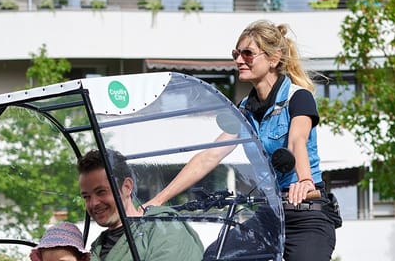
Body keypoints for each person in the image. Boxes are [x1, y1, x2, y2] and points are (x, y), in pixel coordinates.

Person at [142, 19, 338, 260]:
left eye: (248, 53)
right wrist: (157, 201)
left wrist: (305, 179)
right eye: (236, 53)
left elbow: (296, 141)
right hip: (270, 214)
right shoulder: (244, 110)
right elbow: (209, 156)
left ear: (273, 59)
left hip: (305, 211)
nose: (238, 60)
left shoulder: (298, 98)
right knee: (216, 256)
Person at [77, 149, 204, 261]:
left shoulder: (163, 226)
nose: (93, 203)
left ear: (127, 187)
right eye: (86, 197)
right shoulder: (95, 248)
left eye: (101, 192)